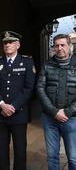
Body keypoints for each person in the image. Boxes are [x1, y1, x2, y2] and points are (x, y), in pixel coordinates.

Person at [0, 31, 35, 170]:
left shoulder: (26, 61)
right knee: (2, 150)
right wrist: (2, 104)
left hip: (19, 114)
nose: (7, 45)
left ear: (18, 45)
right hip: (1, 114)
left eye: (11, 42)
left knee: (20, 150)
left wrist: (13, 106)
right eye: (5, 43)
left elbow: (29, 87)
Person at [37, 34, 76, 170]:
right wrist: (54, 111)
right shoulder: (47, 65)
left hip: (72, 118)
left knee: (73, 158)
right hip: (50, 118)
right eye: (56, 45)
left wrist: (68, 111)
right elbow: (40, 89)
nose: (59, 48)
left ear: (70, 46)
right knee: (52, 156)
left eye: (63, 45)